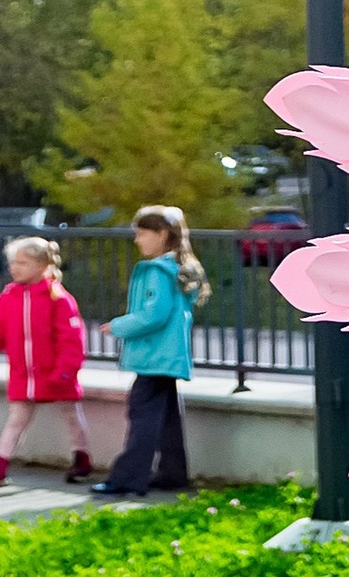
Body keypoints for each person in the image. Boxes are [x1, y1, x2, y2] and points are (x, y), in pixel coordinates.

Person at [97, 207, 205, 497]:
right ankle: (172, 474)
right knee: (167, 418)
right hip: (166, 357)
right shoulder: (177, 269)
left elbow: (153, 314)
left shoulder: (157, 271)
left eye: (142, 234)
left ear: (162, 235)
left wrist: (119, 326)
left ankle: (127, 479)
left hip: (154, 357)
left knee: (141, 416)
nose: (137, 241)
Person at [0, 235, 93, 484]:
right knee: (16, 421)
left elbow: (71, 339)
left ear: (41, 266)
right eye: (13, 262)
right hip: (23, 374)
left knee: (72, 416)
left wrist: (66, 371)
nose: (14, 268)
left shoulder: (58, 299)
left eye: (22, 262)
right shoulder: (8, 298)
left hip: (57, 373)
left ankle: (82, 458)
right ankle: (1, 465)